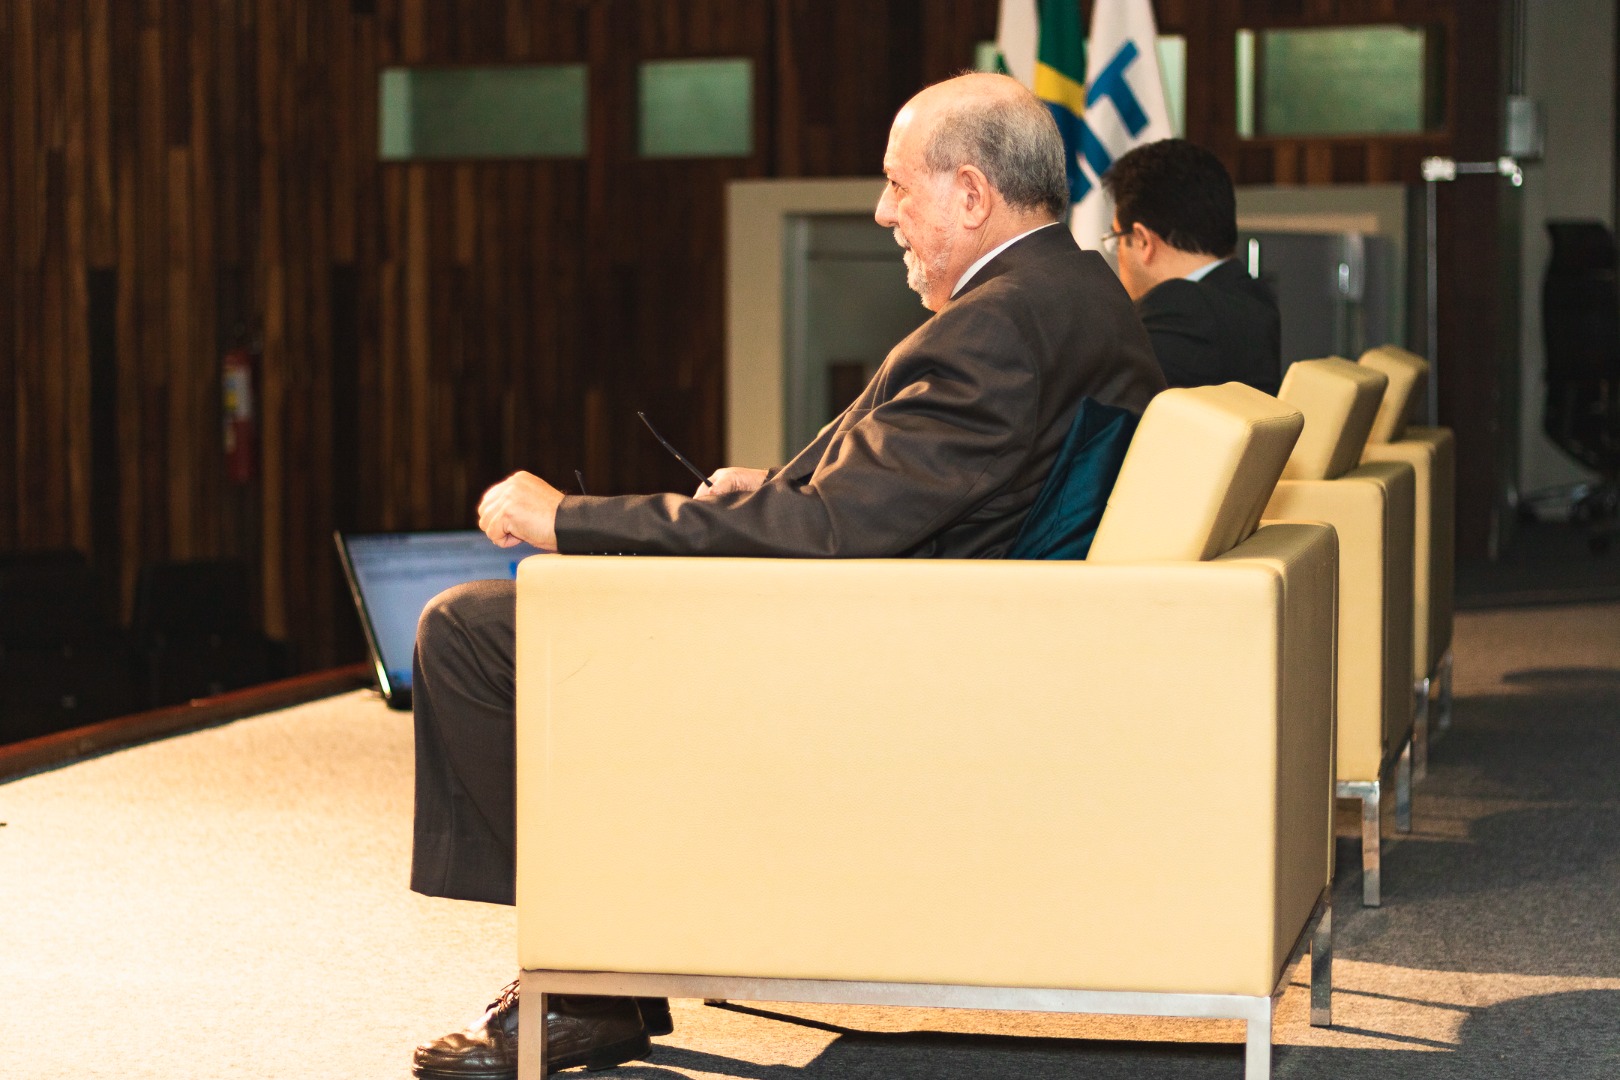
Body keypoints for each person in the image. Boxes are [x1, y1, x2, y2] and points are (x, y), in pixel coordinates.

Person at [409, 71, 1165, 1080]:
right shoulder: (1078, 294)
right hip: (949, 624)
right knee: (527, 620)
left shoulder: (997, 326)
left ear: (971, 195)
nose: (883, 211)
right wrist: (782, 481)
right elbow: (936, 484)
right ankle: (596, 967)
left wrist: (568, 520)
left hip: (880, 659)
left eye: (899, 184)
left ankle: (587, 985)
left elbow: (825, 535)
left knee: (471, 630)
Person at [1101, 138, 1282, 396]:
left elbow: (1097, 406)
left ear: (1142, 240)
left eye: (1116, 239)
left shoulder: (1177, 311)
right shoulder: (1253, 298)